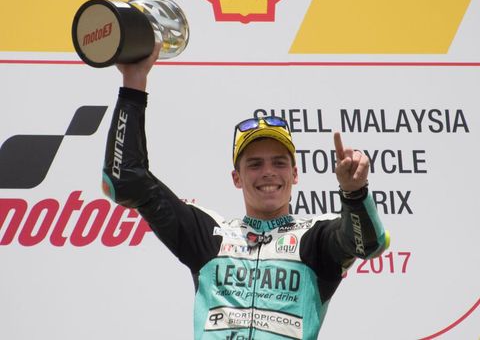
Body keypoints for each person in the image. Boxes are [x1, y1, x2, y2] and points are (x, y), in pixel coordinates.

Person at [102, 44, 389, 340]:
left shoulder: (316, 237)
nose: (268, 172)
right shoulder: (208, 233)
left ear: (295, 175)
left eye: (279, 163)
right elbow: (124, 179)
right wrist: (134, 83)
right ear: (236, 178)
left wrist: (354, 192)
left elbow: (368, 245)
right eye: (255, 164)